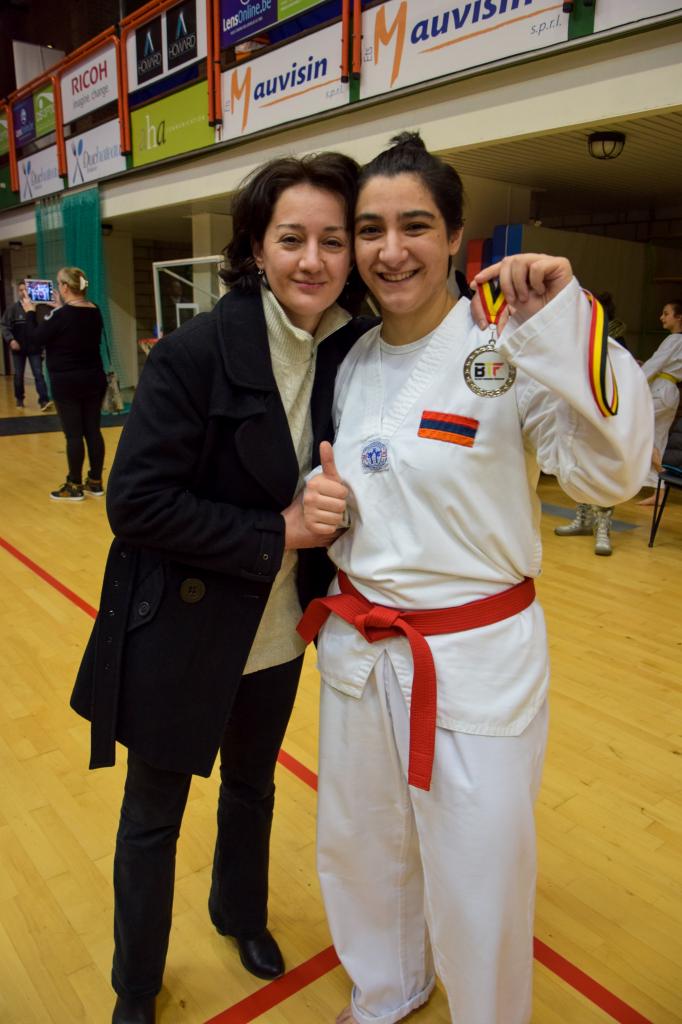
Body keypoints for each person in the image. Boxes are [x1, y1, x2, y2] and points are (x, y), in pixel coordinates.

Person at [299, 133, 653, 1024]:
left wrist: (557, 322)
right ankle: (387, 989)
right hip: (359, 646)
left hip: (473, 658)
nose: (389, 250)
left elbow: (610, 476)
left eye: (414, 226)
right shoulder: (347, 357)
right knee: (361, 845)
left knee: (479, 868)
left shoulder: (507, 346)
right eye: (370, 229)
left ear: (455, 236)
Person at [69, 151, 370, 1024]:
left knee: (252, 785)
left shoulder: (345, 349)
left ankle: (239, 913)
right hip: (182, 627)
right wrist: (276, 529)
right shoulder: (197, 352)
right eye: (291, 239)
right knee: (154, 814)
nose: (311, 259)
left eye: (331, 240)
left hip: (277, 628)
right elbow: (137, 502)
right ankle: (135, 980)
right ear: (255, 246)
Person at [554, 291, 630, 555]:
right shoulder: (576, 341)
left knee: (601, 469)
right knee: (578, 465)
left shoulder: (614, 341)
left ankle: (603, 528)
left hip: (605, 413)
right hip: (577, 411)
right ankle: (584, 519)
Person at [22, 267, 107, 501]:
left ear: (65, 287)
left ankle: (74, 485)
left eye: (59, 284)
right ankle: (96, 481)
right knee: (93, 431)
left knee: (73, 435)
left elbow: (34, 340)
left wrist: (31, 312)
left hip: (67, 381)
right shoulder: (95, 310)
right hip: (94, 378)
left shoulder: (60, 316)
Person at [637, 299, 682, 505]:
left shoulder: (674, 340)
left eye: (666, 313)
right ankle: (660, 490)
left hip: (661, 390)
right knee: (658, 439)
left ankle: (623, 476)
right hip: (670, 391)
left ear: (679, 317)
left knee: (634, 426)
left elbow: (656, 364)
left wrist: (632, 380)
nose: (662, 317)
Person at [1, 279, 52, 411]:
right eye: (21, 290)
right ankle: (19, 398)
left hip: (34, 348)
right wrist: (11, 340)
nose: (24, 293)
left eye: (26, 290)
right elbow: (4, 326)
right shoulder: (12, 309)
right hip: (18, 349)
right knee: (18, 375)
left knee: (38, 374)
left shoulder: (37, 309)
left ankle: (44, 400)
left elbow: (42, 327)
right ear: (18, 292)